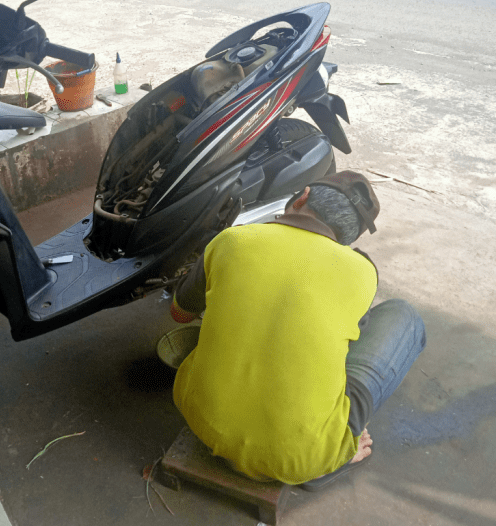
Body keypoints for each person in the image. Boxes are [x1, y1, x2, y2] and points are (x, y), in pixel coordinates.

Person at [169, 170, 426, 490]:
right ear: (349, 238)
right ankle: (328, 451)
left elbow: (179, 314)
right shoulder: (362, 271)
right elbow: (346, 346)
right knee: (403, 317)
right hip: (303, 457)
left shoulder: (231, 240)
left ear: (302, 197)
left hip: (203, 422)